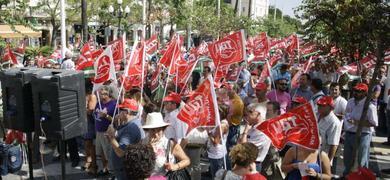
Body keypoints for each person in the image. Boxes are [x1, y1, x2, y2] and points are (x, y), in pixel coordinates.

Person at [343, 83, 378, 176]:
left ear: (365, 93)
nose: (356, 93)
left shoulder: (370, 106)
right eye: (355, 90)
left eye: (359, 91)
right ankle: (347, 175)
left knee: (362, 159)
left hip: (364, 134)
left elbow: (374, 123)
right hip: (349, 132)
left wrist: (357, 122)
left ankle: (363, 176)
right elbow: (346, 113)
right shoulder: (350, 101)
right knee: (347, 157)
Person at [142, 112, 190, 178]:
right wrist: (148, 148)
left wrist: (175, 166)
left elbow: (186, 160)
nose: (156, 134)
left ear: (163, 129)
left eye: (158, 130)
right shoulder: (143, 142)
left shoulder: (170, 144)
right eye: (153, 130)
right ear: (148, 130)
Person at [105, 98, 144, 180]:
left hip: (125, 171)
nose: (119, 112)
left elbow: (121, 153)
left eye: (121, 110)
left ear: (127, 112)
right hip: (124, 169)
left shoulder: (131, 128)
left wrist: (111, 137)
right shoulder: (131, 124)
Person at [239, 103, 271, 172]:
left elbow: (244, 148)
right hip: (247, 162)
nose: (247, 114)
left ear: (258, 115)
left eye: (251, 112)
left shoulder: (262, 131)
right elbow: (239, 141)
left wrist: (245, 132)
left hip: (253, 165)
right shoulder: (253, 125)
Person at [93, 86, 117, 176]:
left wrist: (106, 116)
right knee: (101, 152)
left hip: (107, 133)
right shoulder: (99, 102)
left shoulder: (114, 104)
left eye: (104, 94)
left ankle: (113, 173)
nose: (102, 95)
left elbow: (116, 120)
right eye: (101, 93)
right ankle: (105, 169)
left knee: (109, 154)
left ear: (109, 94)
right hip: (98, 132)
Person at [317, 96, 342, 168]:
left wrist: (326, 163)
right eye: (319, 105)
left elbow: (334, 145)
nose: (319, 107)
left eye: (322, 105)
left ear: (330, 108)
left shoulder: (334, 123)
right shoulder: (317, 114)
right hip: (311, 154)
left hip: (322, 157)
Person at [207, 105, 229, 178]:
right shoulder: (221, 123)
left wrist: (209, 133)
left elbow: (215, 142)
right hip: (217, 153)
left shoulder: (221, 125)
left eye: (216, 110)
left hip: (216, 155)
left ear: (221, 113)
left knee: (216, 176)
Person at [83, 80, 98, 174]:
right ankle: (89, 161)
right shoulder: (85, 95)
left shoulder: (92, 96)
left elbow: (90, 111)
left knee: (90, 144)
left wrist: (82, 109)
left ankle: (93, 165)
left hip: (91, 123)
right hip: (86, 122)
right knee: (87, 144)